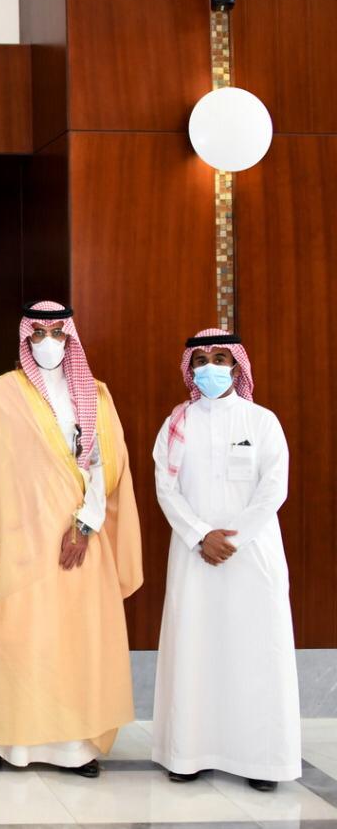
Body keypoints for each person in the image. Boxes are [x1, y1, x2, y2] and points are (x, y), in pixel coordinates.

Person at [0, 301, 142, 777]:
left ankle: (74, 748)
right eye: (39, 332)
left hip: (75, 538)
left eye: (57, 332)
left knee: (72, 641)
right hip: (14, 537)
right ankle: (0, 740)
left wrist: (85, 526)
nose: (48, 342)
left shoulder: (96, 394)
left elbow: (107, 468)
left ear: (70, 339)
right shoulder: (0, 392)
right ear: (26, 338)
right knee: (9, 635)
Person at [151, 329, 298, 791]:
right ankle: (188, 753)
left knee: (256, 651)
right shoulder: (178, 423)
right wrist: (201, 536)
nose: (210, 367)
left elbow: (274, 488)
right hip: (193, 555)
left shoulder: (262, 422)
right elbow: (166, 489)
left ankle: (262, 761)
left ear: (236, 366)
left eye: (220, 358)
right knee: (194, 649)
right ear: (190, 369)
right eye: (201, 360)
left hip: (252, 557)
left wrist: (233, 539)